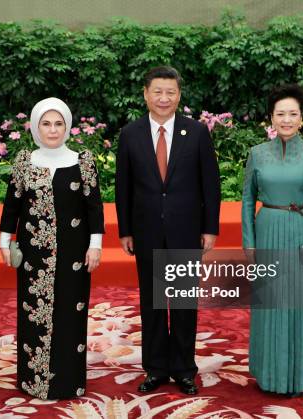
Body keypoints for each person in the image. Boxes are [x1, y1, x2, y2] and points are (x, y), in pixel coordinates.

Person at [115, 66, 221, 395]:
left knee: (184, 302)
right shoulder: (130, 134)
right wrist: (126, 230)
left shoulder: (197, 132)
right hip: (146, 231)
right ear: (146, 94)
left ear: (179, 96)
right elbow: (123, 187)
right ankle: (156, 367)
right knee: (153, 303)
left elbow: (211, 184)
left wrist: (210, 228)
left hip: (186, 229)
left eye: (170, 92)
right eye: (157, 91)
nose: (164, 98)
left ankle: (184, 369)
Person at [0, 97, 104, 400]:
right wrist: (6, 242)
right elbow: (12, 206)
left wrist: (95, 246)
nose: (53, 130)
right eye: (46, 123)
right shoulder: (24, 162)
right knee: (34, 315)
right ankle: (34, 380)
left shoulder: (82, 161)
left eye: (59, 123)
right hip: (34, 257)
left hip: (75, 254)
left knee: (72, 313)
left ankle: (69, 381)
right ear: (35, 126)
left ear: (68, 126)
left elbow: (94, 208)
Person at [241, 83, 303, 396]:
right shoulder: (257, 154)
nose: (287, 119)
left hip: (301, 234)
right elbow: (246, 199)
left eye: (293, 113)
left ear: (302, 117)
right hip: (267, 230)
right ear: (271, 118)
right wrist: (249, 241)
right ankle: (269, 373)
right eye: (281, 113)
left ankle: (300, 374)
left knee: (299, 303)